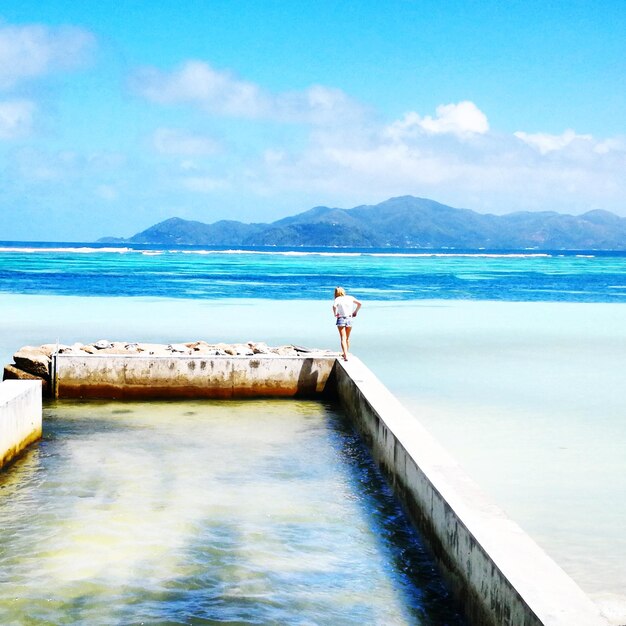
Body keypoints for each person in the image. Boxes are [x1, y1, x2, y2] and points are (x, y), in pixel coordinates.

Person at [332, 286, 362, 361]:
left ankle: (345, 355)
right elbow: (360, 303)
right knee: (347, 338)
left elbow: (334, 306)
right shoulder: (350, 297)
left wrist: (335, 314)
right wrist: (355, 312)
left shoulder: (337, 299)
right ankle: (346, 353)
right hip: (349, 318)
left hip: (341, 318)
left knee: (343, 338)